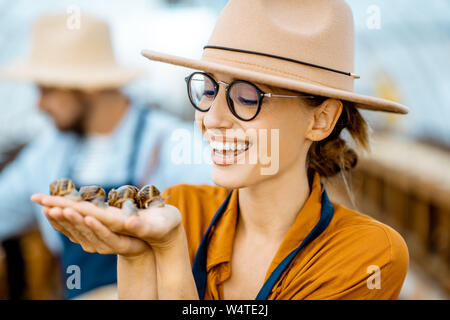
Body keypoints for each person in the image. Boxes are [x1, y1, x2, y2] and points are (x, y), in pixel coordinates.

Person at [32, 0, 410, 300]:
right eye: (209, 89)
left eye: (246, 96)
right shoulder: (181, 207)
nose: (211, 119)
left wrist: (169, 253)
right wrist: (135, 256)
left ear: (321, 120)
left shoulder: (367, 254)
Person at [0, 12, 211, 299]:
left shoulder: (173, 145)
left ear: (87, 86)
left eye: (46, 89)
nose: (39, 104)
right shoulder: (48, 152)